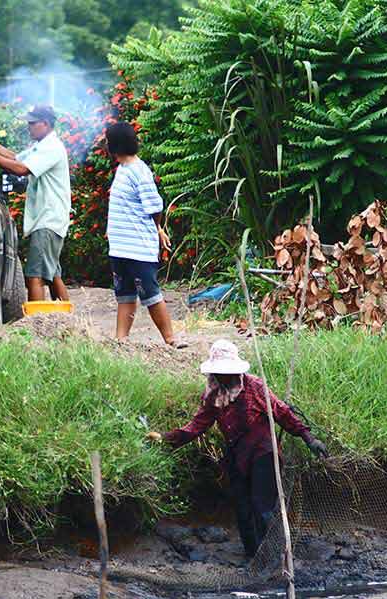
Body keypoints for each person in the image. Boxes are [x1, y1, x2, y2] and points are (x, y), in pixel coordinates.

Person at [146, 340, 328, 558]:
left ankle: (271, 556)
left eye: (227, 372)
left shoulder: (254, 387)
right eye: (219, 372)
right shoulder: (213, 395)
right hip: (237, 458)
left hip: (263, 454)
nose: (223, 377)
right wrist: (165, 439)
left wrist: (309, 439)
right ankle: (253, 556)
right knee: (243, 510)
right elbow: (197, 426)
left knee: (263, 508)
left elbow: (282, 414)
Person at [0, 106, 71, 302]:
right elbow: (14, 157)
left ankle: (37, 324)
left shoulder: (51, 148)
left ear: (45, 124)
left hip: (47, 220)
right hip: (48, 218)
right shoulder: (42, 145)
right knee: (53, 274)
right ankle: (69, 320)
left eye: (32, 123)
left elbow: (21, 169)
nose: (28, 127)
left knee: (35, 276)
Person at [105, 122, 185, 348]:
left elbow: (155, 207)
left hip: (138, 248)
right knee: (125, 294)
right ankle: (121, 341)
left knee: (150, 294)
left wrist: (158, 229)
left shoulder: (139, 171)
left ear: (115, 145)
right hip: (120, 248)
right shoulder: (122, 169)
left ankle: (171, 339)